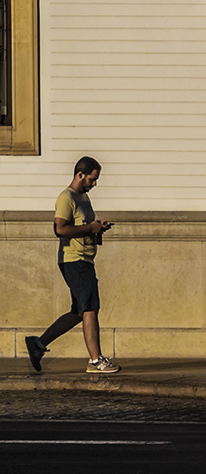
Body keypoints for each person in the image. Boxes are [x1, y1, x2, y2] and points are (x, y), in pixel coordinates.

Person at [24, 156, 119, 374]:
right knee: (90, 308)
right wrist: (89, 229)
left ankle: (38, 344)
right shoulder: (66, 197)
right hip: (73, 260)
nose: (95, 183)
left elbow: (84, 226)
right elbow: (60, 229)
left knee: (79, 311)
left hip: (83, 259)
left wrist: (97, 228)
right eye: (92, 179)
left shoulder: (83, 198)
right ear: (80, 175)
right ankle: (96, 361)